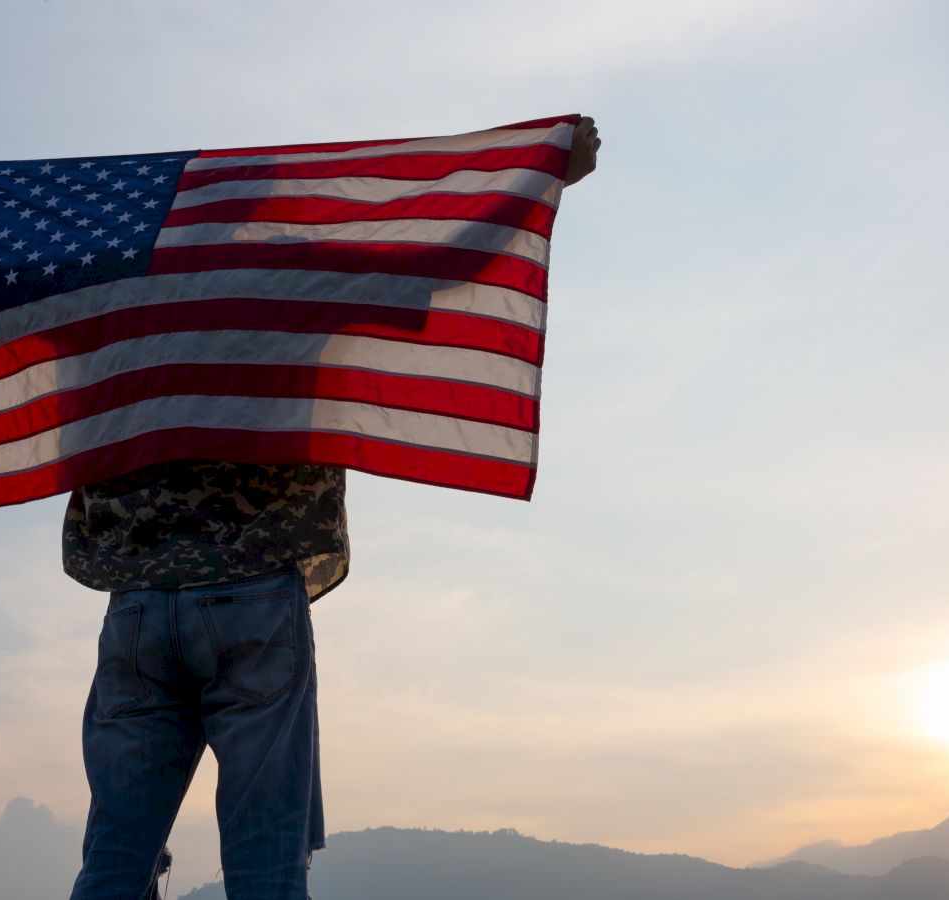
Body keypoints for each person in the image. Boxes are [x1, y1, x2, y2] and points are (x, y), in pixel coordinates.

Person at [64, 116, 601, 900]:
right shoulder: (299, 277)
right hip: (254, 598)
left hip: (137, 608)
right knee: (266, 864)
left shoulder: (113, 286)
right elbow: (439, 266)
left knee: (115, 861)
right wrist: (547, 176)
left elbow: (4, 309)